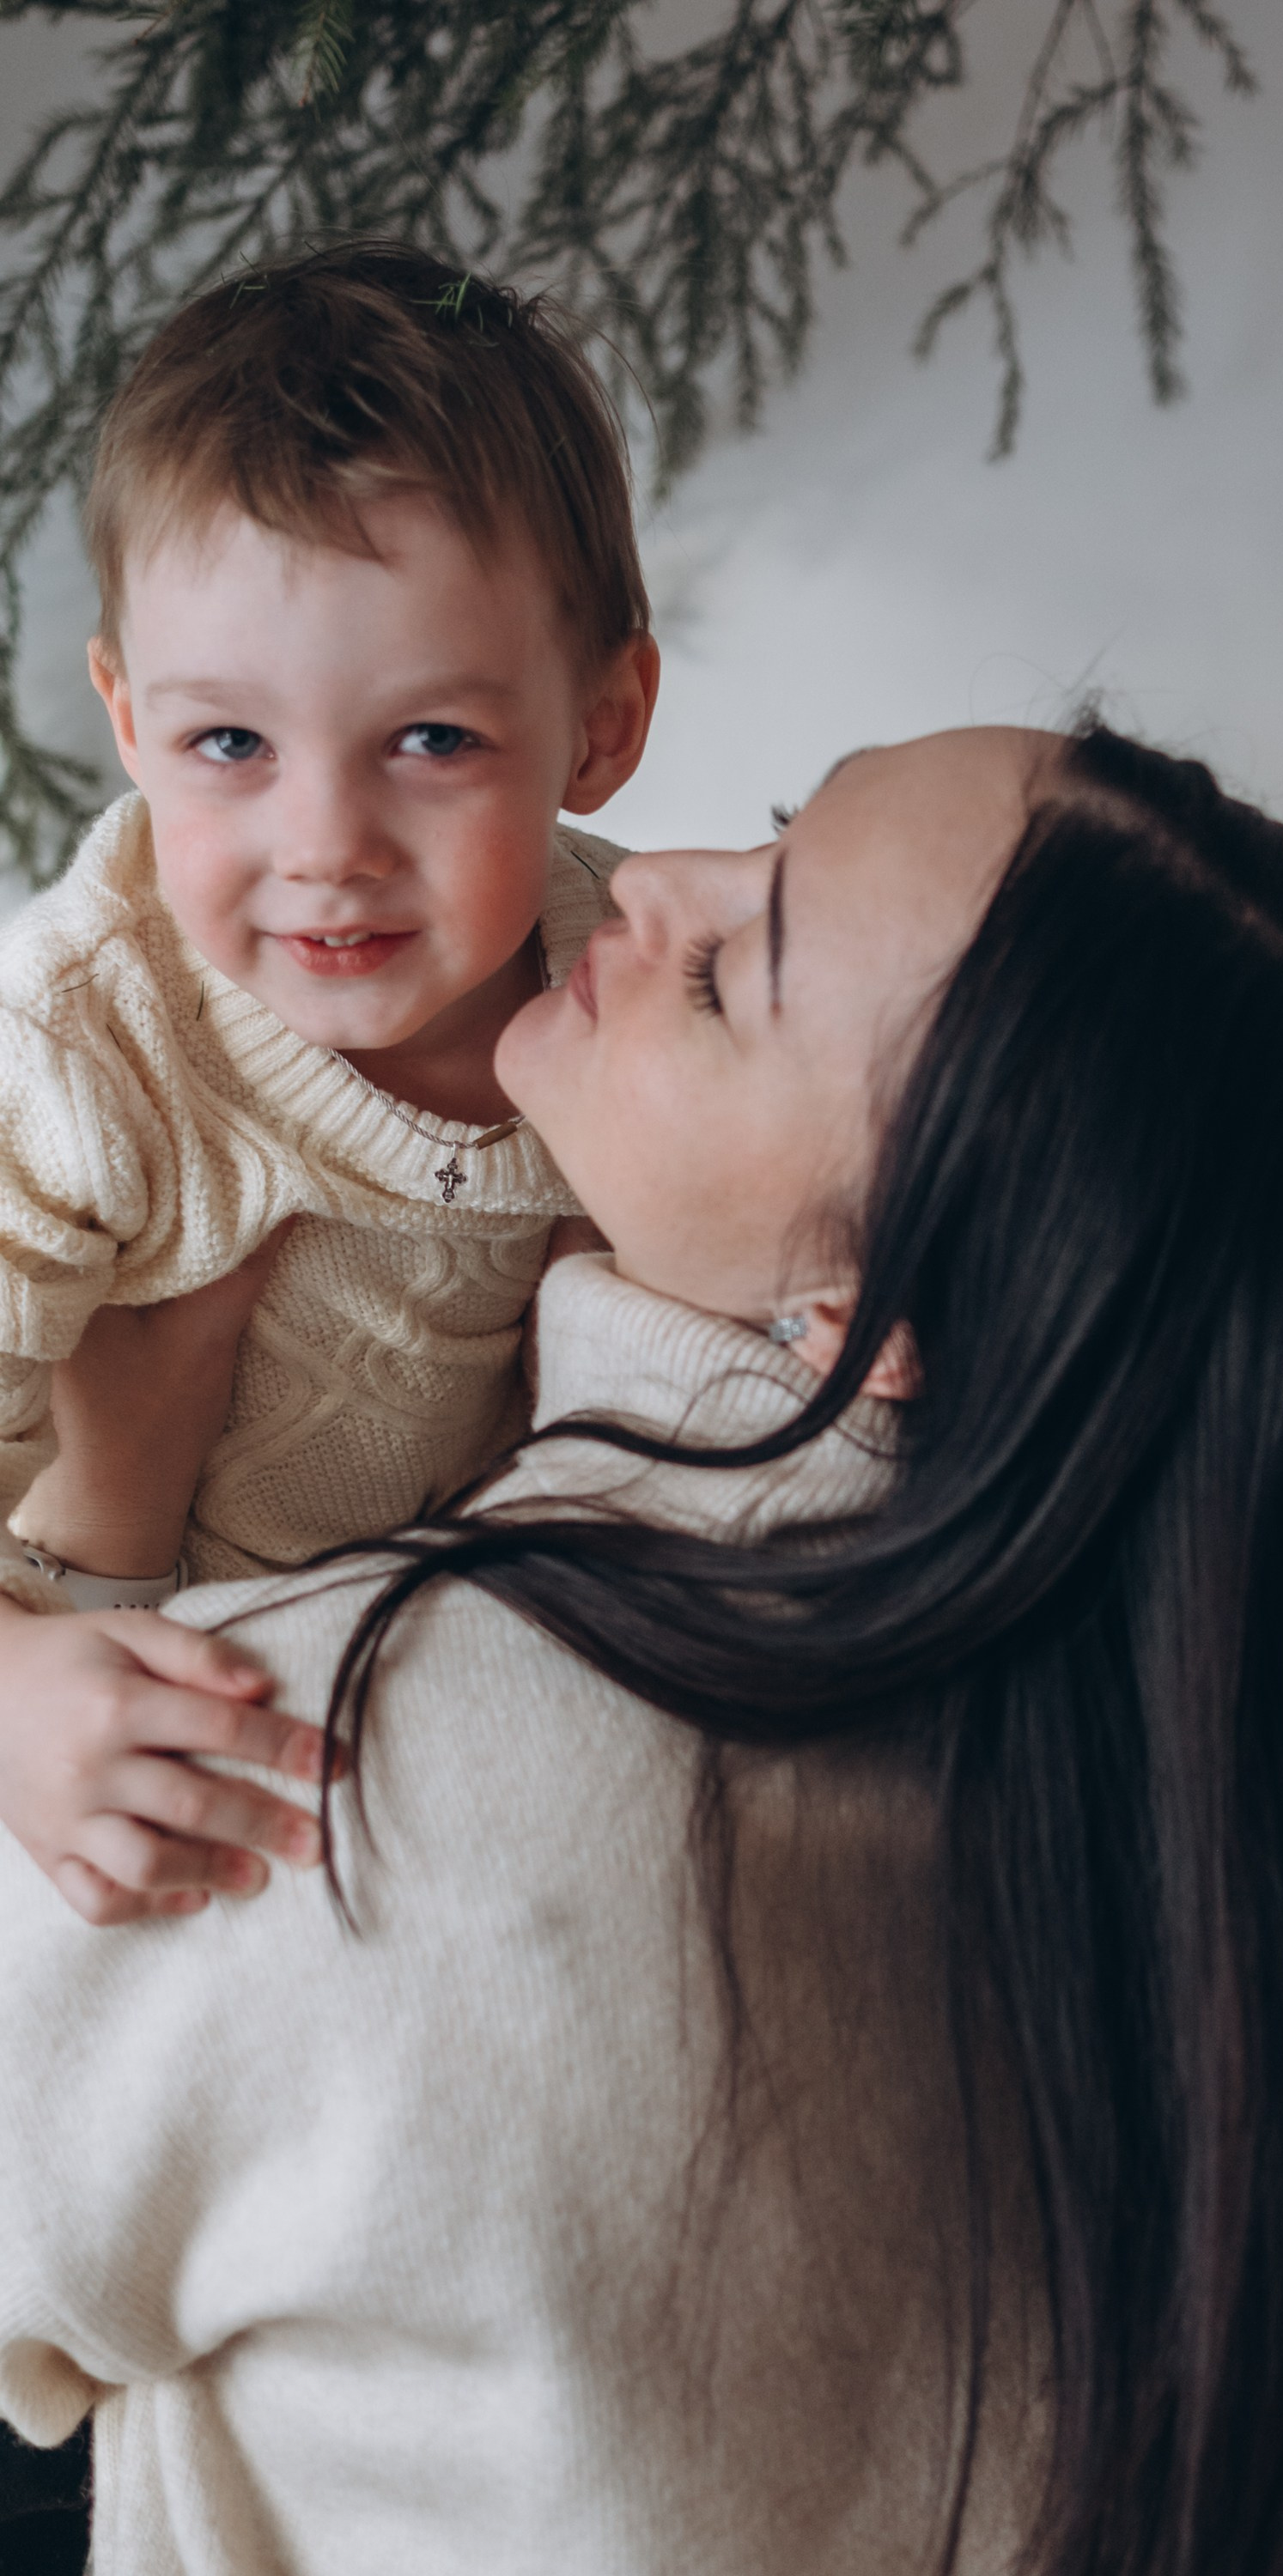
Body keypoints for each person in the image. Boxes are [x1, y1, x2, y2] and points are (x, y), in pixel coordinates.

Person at [0, 724, 1283, 2576]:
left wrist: (102, 1570)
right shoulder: (1201, 1877)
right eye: (753, 840)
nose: (639, 880)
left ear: (874, 1315)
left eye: (735, 970)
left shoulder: (327, 1757)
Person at [0, 238, 660, 1922]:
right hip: (91, 1658)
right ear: (128, 717)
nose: (324, 851)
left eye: (430, 741)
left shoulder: (647, 995)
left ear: (600, 720)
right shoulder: (86, 1043)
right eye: (230, 745)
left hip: (429, 1684)